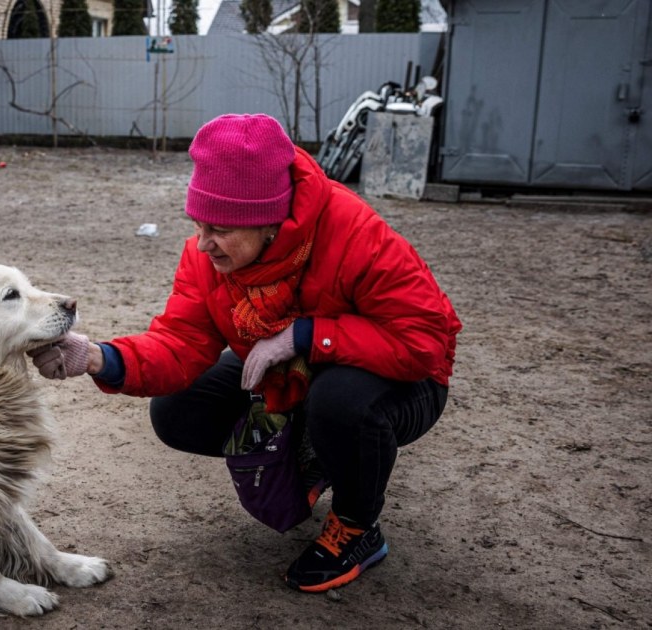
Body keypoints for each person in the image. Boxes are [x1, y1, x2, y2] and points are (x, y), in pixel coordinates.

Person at [29, 113, 461, 593]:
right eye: (197, 223)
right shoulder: (209, 256)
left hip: (405, 381)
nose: (202, 243)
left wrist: (306, 335)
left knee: (339, 403)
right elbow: (180, 343)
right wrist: (95, 357)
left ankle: (358, 526)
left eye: (219, 227)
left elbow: (423, 342)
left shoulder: (353, 232)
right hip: (296, 370)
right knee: (178, 410)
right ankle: (311, 451)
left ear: (270, 220)